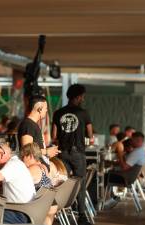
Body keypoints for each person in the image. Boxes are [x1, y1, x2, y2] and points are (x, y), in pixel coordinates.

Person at [51, 84, 93, 225]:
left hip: (62, 153)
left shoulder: (58, 113)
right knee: (79, 184)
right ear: (78, 96)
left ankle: (58, 211)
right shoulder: (84, 113)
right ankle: (81, 216)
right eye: (82, 96)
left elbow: (54, 135)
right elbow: (90, 134)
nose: (83, 98)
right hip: (77, 153)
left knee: (62, 183)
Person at [0, 143, 35, 224]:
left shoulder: (13, 163)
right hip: (22, 211)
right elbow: (1, 193)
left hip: (20, 214)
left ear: (1, 154)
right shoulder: (15, 164)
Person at [20, 143, 57, 225]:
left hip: (41, 207)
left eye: (23, 157)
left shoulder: (33, 168)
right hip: (50, 203)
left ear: (30, 156)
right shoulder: (42, 166)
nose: (21, 160)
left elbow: (18, 182)